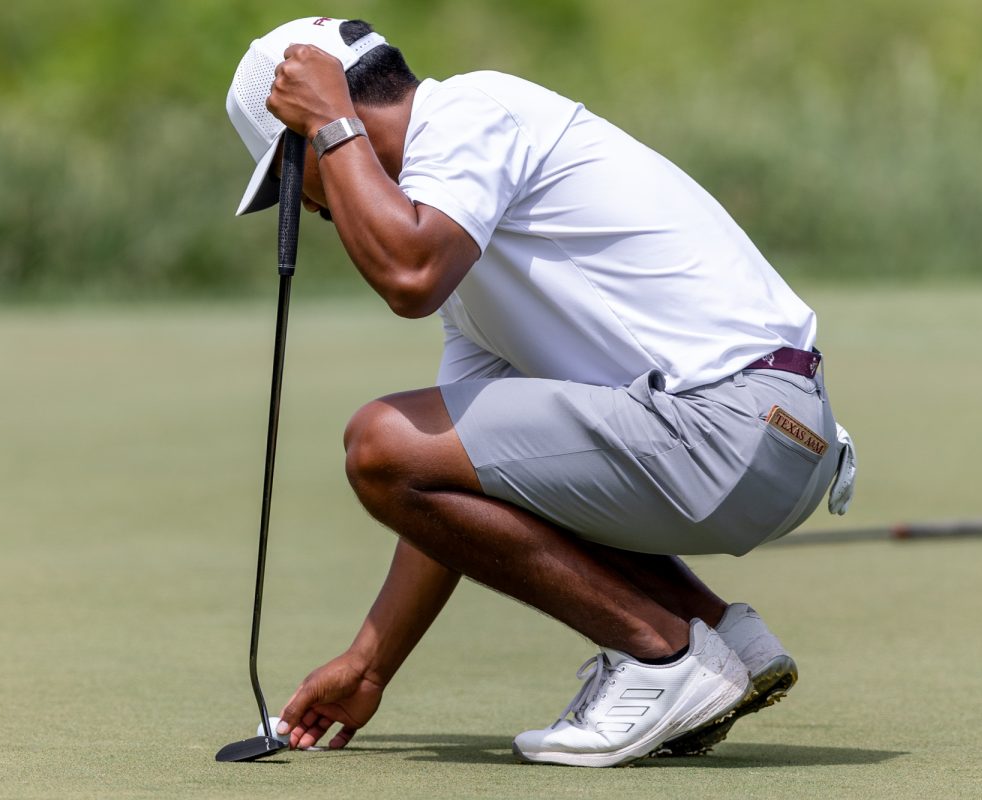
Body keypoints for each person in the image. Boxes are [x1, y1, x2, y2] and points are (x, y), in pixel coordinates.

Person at [225, 16, 856, 768]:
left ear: (319, 133)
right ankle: (722, 639)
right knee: (411, 451)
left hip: (739, 423)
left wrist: (329, 124)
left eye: (294, 185)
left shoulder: (469, 113)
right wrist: (369, 664)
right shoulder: (465, 247)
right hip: (765, 435)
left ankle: (660, 657)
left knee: (374, 440)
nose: (315, 212)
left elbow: (407, 278)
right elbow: (443, 483)